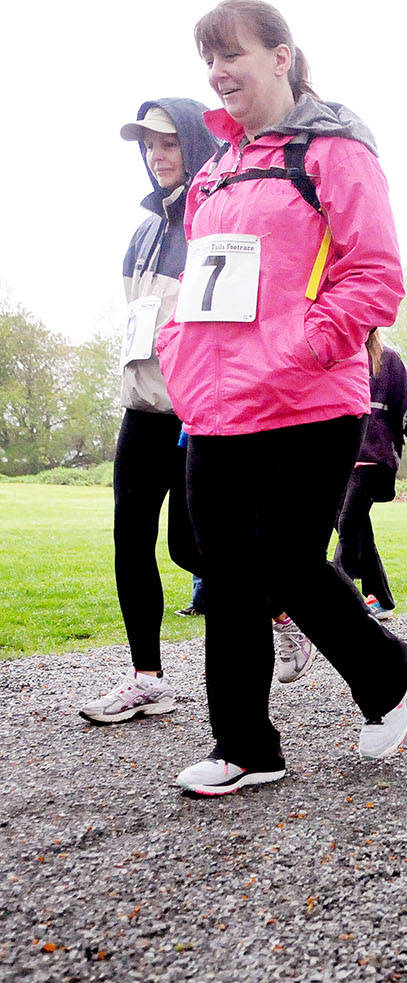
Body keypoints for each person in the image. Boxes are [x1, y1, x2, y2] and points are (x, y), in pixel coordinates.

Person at [156, 0, 407, 794]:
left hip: (311, 399)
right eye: (208, 60)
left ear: (281, 55)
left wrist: (302, 346)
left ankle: (384, 673)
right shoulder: (214, 171)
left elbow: (375, 274)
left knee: (288, 562)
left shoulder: (334, 150)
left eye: (230, 54)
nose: (217, 73)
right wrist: (178, 353)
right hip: (217, 402)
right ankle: (246, 747)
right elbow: (198, 286)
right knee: (226, 571)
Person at [80, 101, 220, 725]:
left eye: (169, 142)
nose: (157, 154)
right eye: (148, 144)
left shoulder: (213, 217)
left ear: (193, 141)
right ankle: (146, 677)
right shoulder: (143, 232)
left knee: (193, 547)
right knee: (129, 540)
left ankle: (282, 607)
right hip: (143, 409)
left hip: (198, 412)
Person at [334, 342, 407, 619]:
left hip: (375, 458)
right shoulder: (335, 355)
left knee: (349, 525)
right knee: (356, 526)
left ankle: (337, 605)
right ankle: (380, 597)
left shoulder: (388, 359)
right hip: (341, 461)